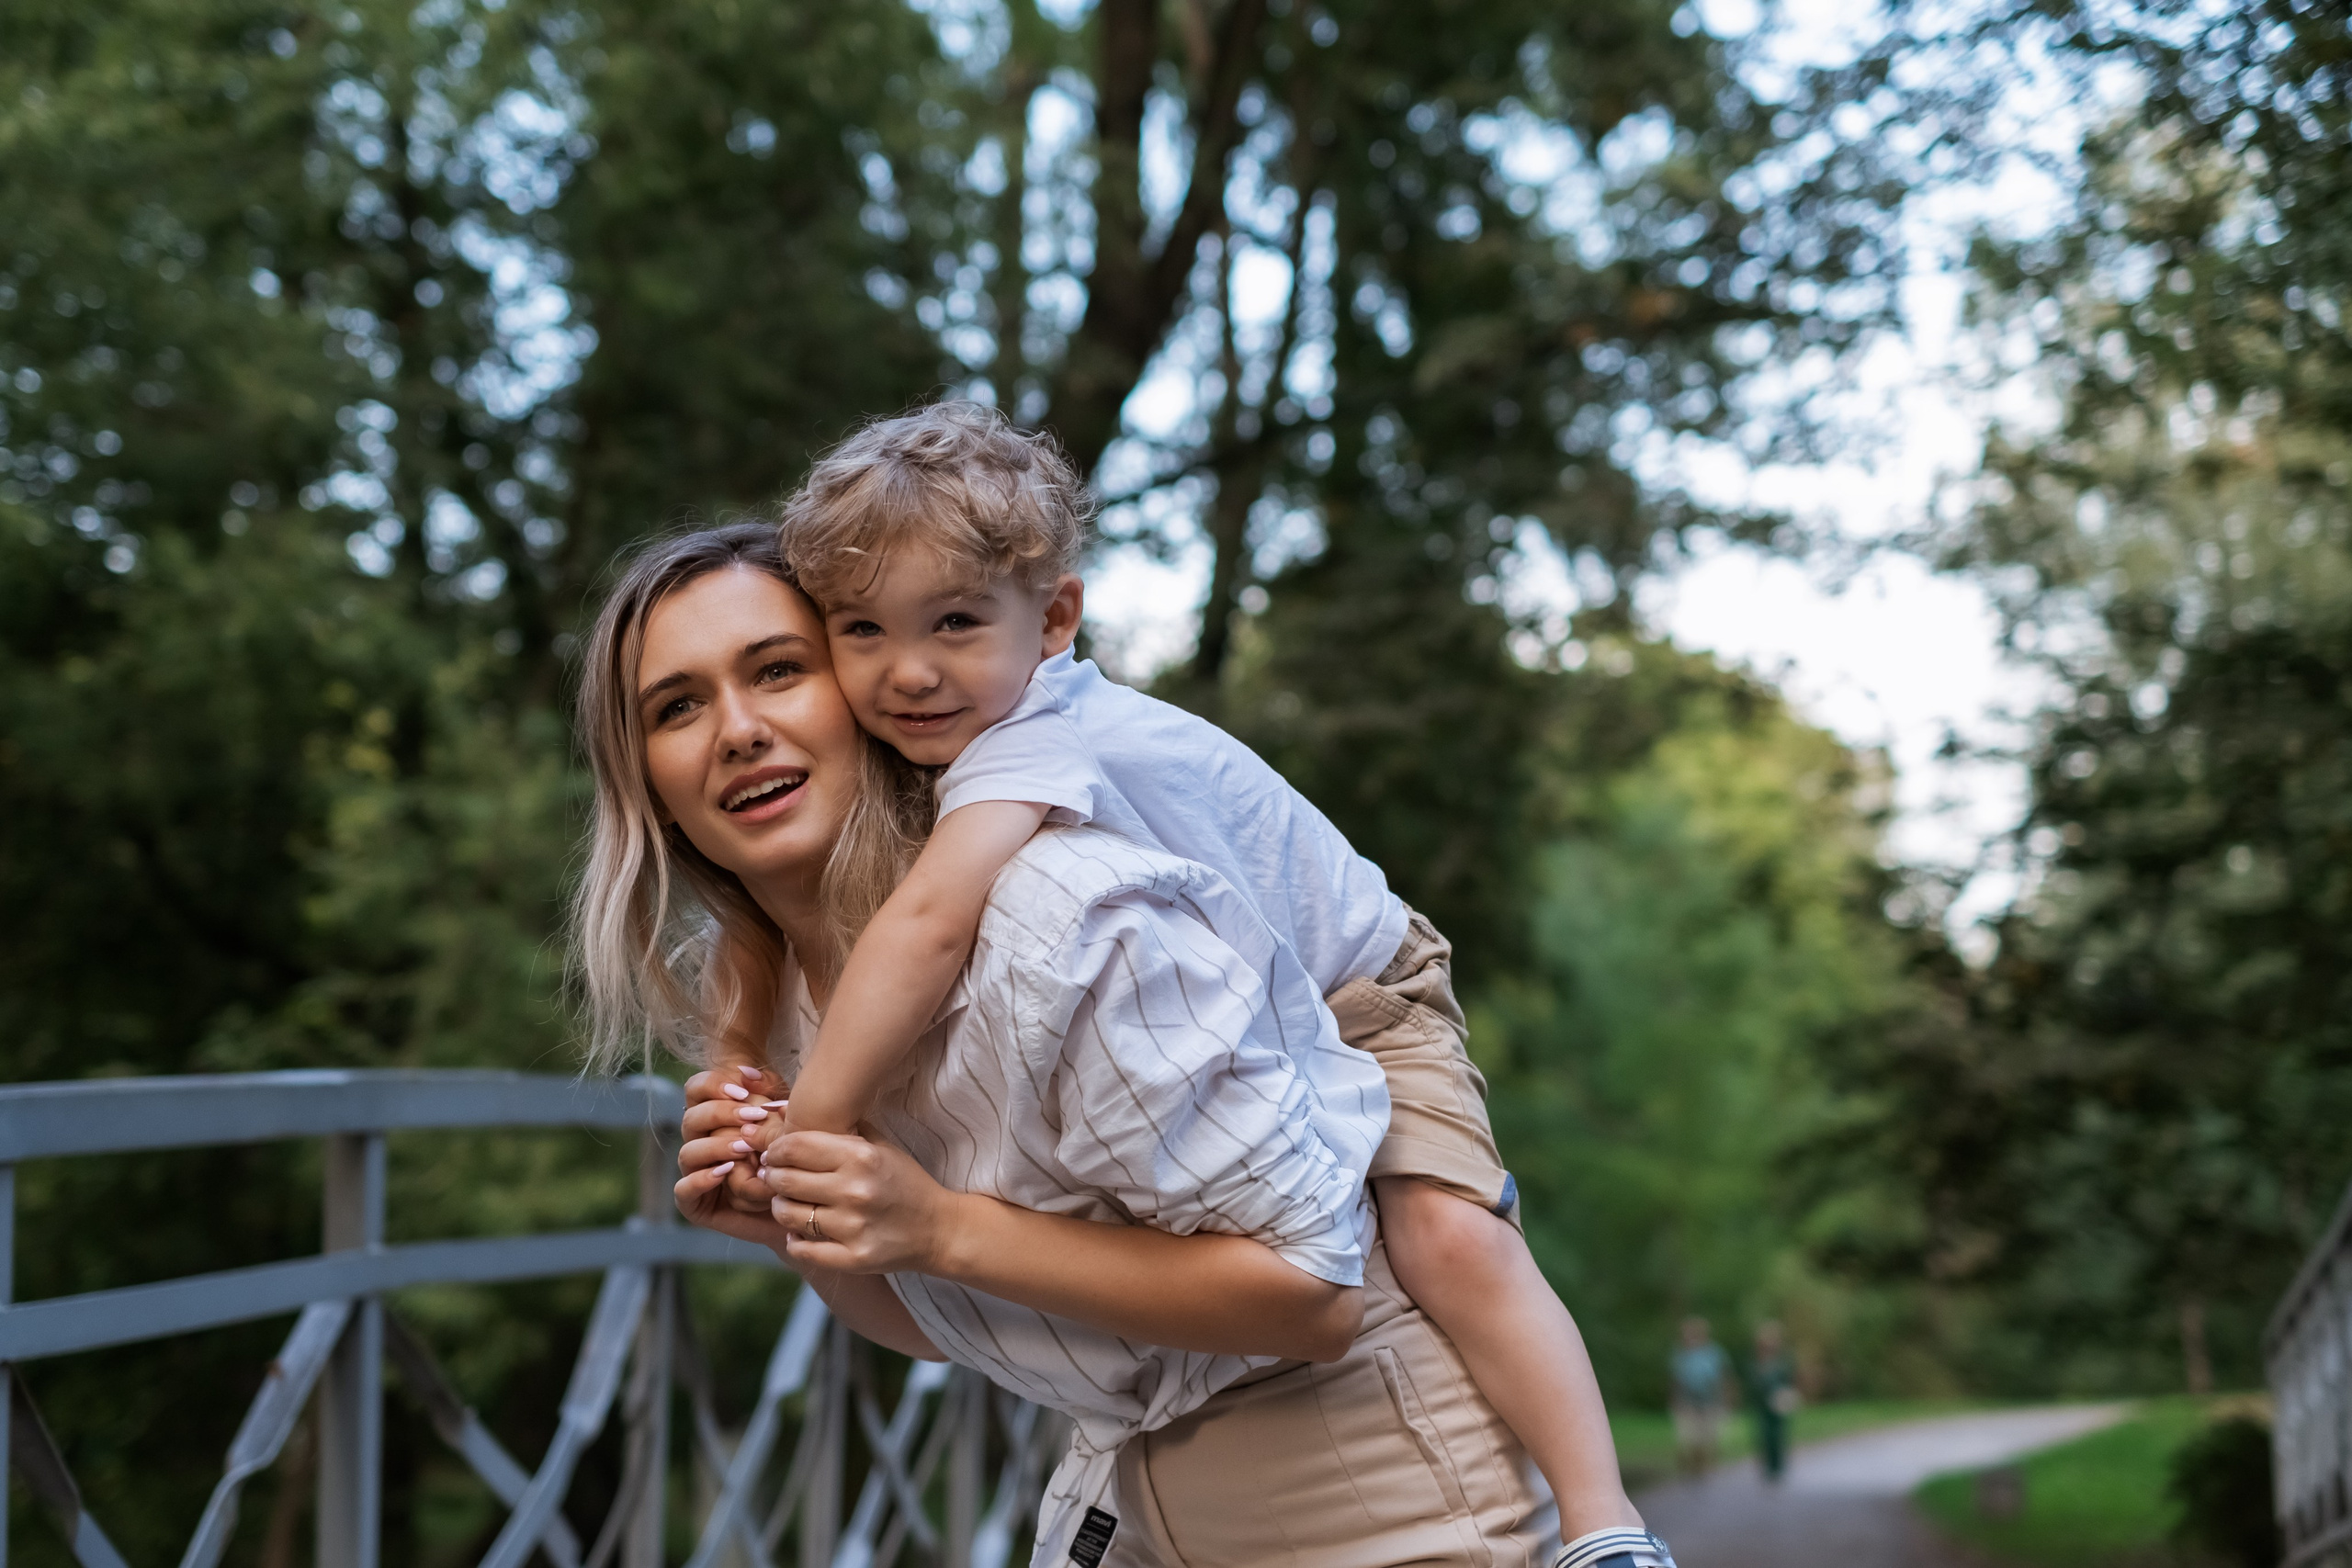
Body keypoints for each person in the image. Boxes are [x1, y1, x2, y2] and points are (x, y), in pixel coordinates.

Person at [569, 526, 1676, 1568]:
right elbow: (958, 1325)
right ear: (645, 779)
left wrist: (941, 1224)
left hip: (1376, 1501)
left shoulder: (1061, 918)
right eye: (677, 706)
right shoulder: (775, 987)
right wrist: (805, 1231)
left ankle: (1608, 1527)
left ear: (859, 695)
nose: (736, 729)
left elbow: (1313, 1297)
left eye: (776, 670)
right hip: (1128, 1498)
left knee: (1454, 1230)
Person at [1668, 1317, 1731, 1476]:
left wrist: (1726, 1399)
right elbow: (1675, 1380)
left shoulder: (1714, 1353)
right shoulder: (1680, 1354)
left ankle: (1703, 1467)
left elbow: (1723, 1377)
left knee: (1707, 1437)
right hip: (1687, 1402)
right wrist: (1674, 1401)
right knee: (1689, 1437)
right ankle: (1693, 1467)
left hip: (1709, 1401)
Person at [1747, 1320, 1799, 1484]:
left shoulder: (1783, 1360)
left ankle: (1778, 1467)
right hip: (1762, 1404)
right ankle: (1768, 1467)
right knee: (1764, 1435)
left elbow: (1789, 1380)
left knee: (1778, 1435)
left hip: (1779, 1402)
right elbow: (1754, 1382)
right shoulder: (1757, 1361)